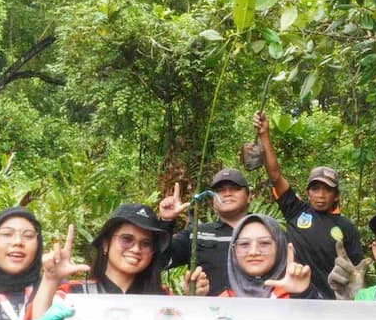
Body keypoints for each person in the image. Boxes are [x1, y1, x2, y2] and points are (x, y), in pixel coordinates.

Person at [251, 112, 364, 299]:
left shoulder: (346, 227)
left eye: (327, 190)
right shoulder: (296, 210)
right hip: (291, 298)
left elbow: (356, 273)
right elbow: (275, 175)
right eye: (315, 188)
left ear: (336, 195)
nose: (320, 195)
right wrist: (264, 135)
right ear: (308, 191)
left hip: (328, 303)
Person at [156, 169, 252, 292]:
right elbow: (160, 260)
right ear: (213, 200)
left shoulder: (267, 232)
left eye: (235, 188)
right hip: (207, 309)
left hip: (257, 309)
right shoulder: (196, 233)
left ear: (249, 196)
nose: (227, 193)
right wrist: (166, 221)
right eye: (220, 190)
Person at [218, 215, 315, 299]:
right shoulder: (223, 301)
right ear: (233, 250)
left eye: (264, 243)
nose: (253, 252)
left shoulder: (293, 291)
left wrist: (303, 295)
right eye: (244, 244)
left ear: (280, 247)